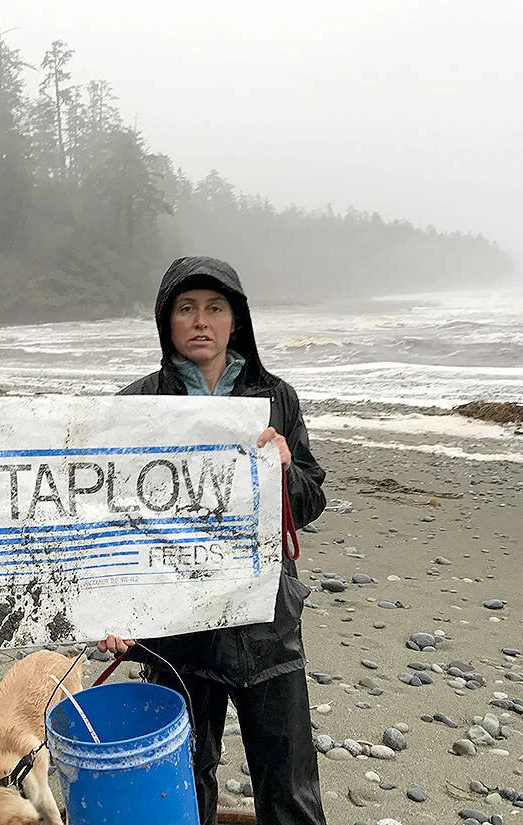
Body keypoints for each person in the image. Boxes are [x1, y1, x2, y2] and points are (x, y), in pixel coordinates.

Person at [100, 256, 327, 825]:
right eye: (186, 308)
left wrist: (282, 472)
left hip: (265, 622)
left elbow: (311, 500)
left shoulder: (276, 396)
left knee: (289, 783)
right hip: (178, 627)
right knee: (182, 780)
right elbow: (105, 519)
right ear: (166, 322)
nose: (201, 321)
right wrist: (109, 610)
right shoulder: (135, 403)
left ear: (236, 321)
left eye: (215, 308)